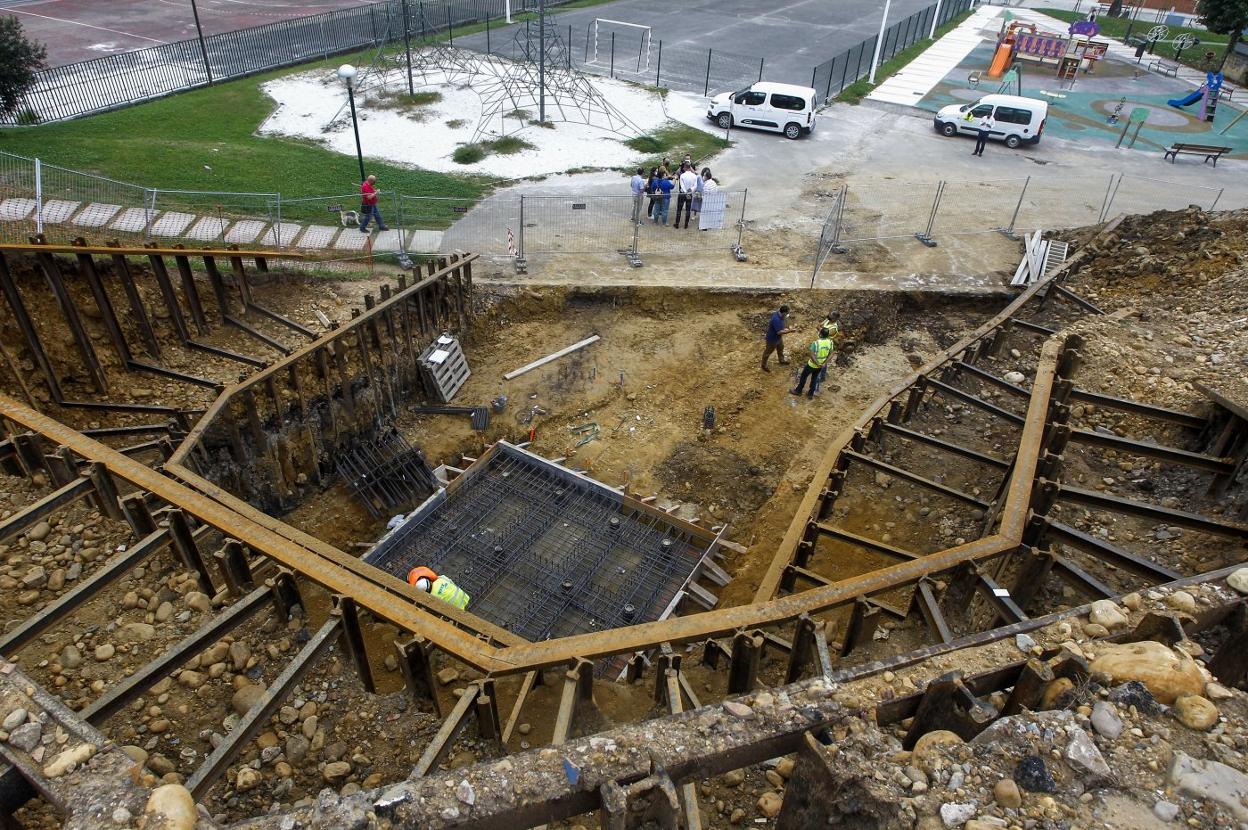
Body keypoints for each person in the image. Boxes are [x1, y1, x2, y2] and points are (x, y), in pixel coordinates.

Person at [792, 327, 834, 399]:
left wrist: (817, 363)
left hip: (812, 364)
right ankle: (810, 394)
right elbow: (831, 353)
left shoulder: (816, 343)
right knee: (814, 378)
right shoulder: (830, 342)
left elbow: (812, 355)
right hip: (821, 365)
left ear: (820, 334)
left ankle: (798, 391)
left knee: (803, 376)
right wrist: (824, 363)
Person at [761, 304, 793, 371]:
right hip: (772, 339)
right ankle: (763, 365)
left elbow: (785, 320)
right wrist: (790, 331)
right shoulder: (776, 319)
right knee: (767, 352)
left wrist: (787, 327)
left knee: (780, 348)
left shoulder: (780, 314)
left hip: (778, 338)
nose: (788, 314)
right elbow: (779, 332)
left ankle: (781, 360)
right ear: (784, 313)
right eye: (787, 313)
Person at [817, 310, 841, 387]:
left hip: (827, 345)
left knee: (824, 360)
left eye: (832, 317)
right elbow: (818, 326)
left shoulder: (834, 328)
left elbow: (824, 333)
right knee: (819, 357)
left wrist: (821, 330)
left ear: (836, 318)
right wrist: (821, 330)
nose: (830, 318)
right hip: (821, 341)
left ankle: (822, 376)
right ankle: (818, 371)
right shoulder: (828, 320)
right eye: (830, 316)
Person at [675, 163, 699, 229]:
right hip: (690, 193)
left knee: (679, 209)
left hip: (682, 194)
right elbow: (695, 186)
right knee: (688, 210)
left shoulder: (682, 175)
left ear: (685, 167)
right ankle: (686, 224)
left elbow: (682, 185)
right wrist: (690, 190)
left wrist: (685, 191)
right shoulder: (694, 176)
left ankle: (677, 224)